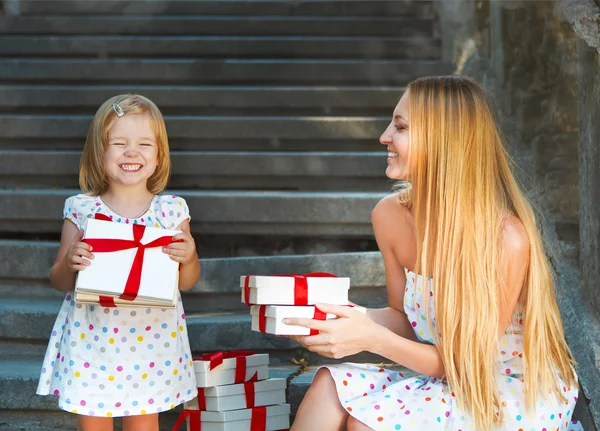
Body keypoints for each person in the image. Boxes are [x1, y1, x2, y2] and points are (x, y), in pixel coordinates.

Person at [286, 76, 583, 431]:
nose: (384, 137)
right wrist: (334, 316)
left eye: (400, 127)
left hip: (508, 389)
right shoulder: (389, 215)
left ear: (445, 142)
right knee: (326, 386)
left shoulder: (506, 238)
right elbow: (403, 319)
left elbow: (467, 366)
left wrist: (371, 338)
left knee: (367, 425)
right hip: (444, 378)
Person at [36, 94, 201, 431]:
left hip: (153, 342)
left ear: (158, 157)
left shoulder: (171, 212)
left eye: (144, 144)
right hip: (93, 340)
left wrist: (190, 256)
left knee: (144, 424)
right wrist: (70, 261)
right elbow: (59, 280)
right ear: (100, 152)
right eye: (119, 143)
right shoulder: (82, 210)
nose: (131, 152)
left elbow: (187, 282)